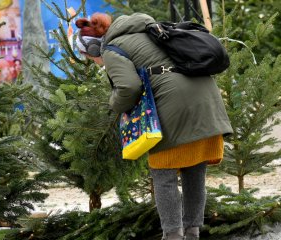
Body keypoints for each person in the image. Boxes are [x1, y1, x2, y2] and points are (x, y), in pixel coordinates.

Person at [75, 12, 233, 240]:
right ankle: (192, 233)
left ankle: (172, 235)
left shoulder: (111, 49)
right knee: (194, 168)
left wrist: (114, 104)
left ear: (92, 49)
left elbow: (128, 88)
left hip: (176, 104)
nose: (93, 61)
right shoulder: (147, 29)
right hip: (206, 99)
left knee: (163, 174)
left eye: (88, 56)